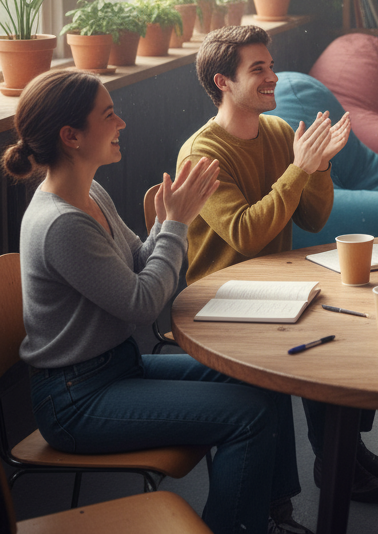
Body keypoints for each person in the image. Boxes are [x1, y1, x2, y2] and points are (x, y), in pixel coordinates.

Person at [6, 69, 311, 534]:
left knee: (264, 377)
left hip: (116, 367)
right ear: (71, 136)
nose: (121, 123)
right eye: (109, 115)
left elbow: (138, 261)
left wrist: (169, 221)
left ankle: (268, 514)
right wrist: (176, 224)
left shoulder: (92, 193)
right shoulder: (60, 223)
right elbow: (143, 302)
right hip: (75, 400)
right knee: (245, 414)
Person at [178, 25, 378, 503]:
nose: (273, 76)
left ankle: (340, 453)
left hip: (277, 288)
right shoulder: (202, 153)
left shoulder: (275, 132)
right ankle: (280, 501)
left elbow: (314, 217)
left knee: (350, 327)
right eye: (259, 69)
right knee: (310, 347)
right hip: (221, 300)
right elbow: (248, 234)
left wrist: (319, 167)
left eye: (271, 66)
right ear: (222, 83)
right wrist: (299, 168)